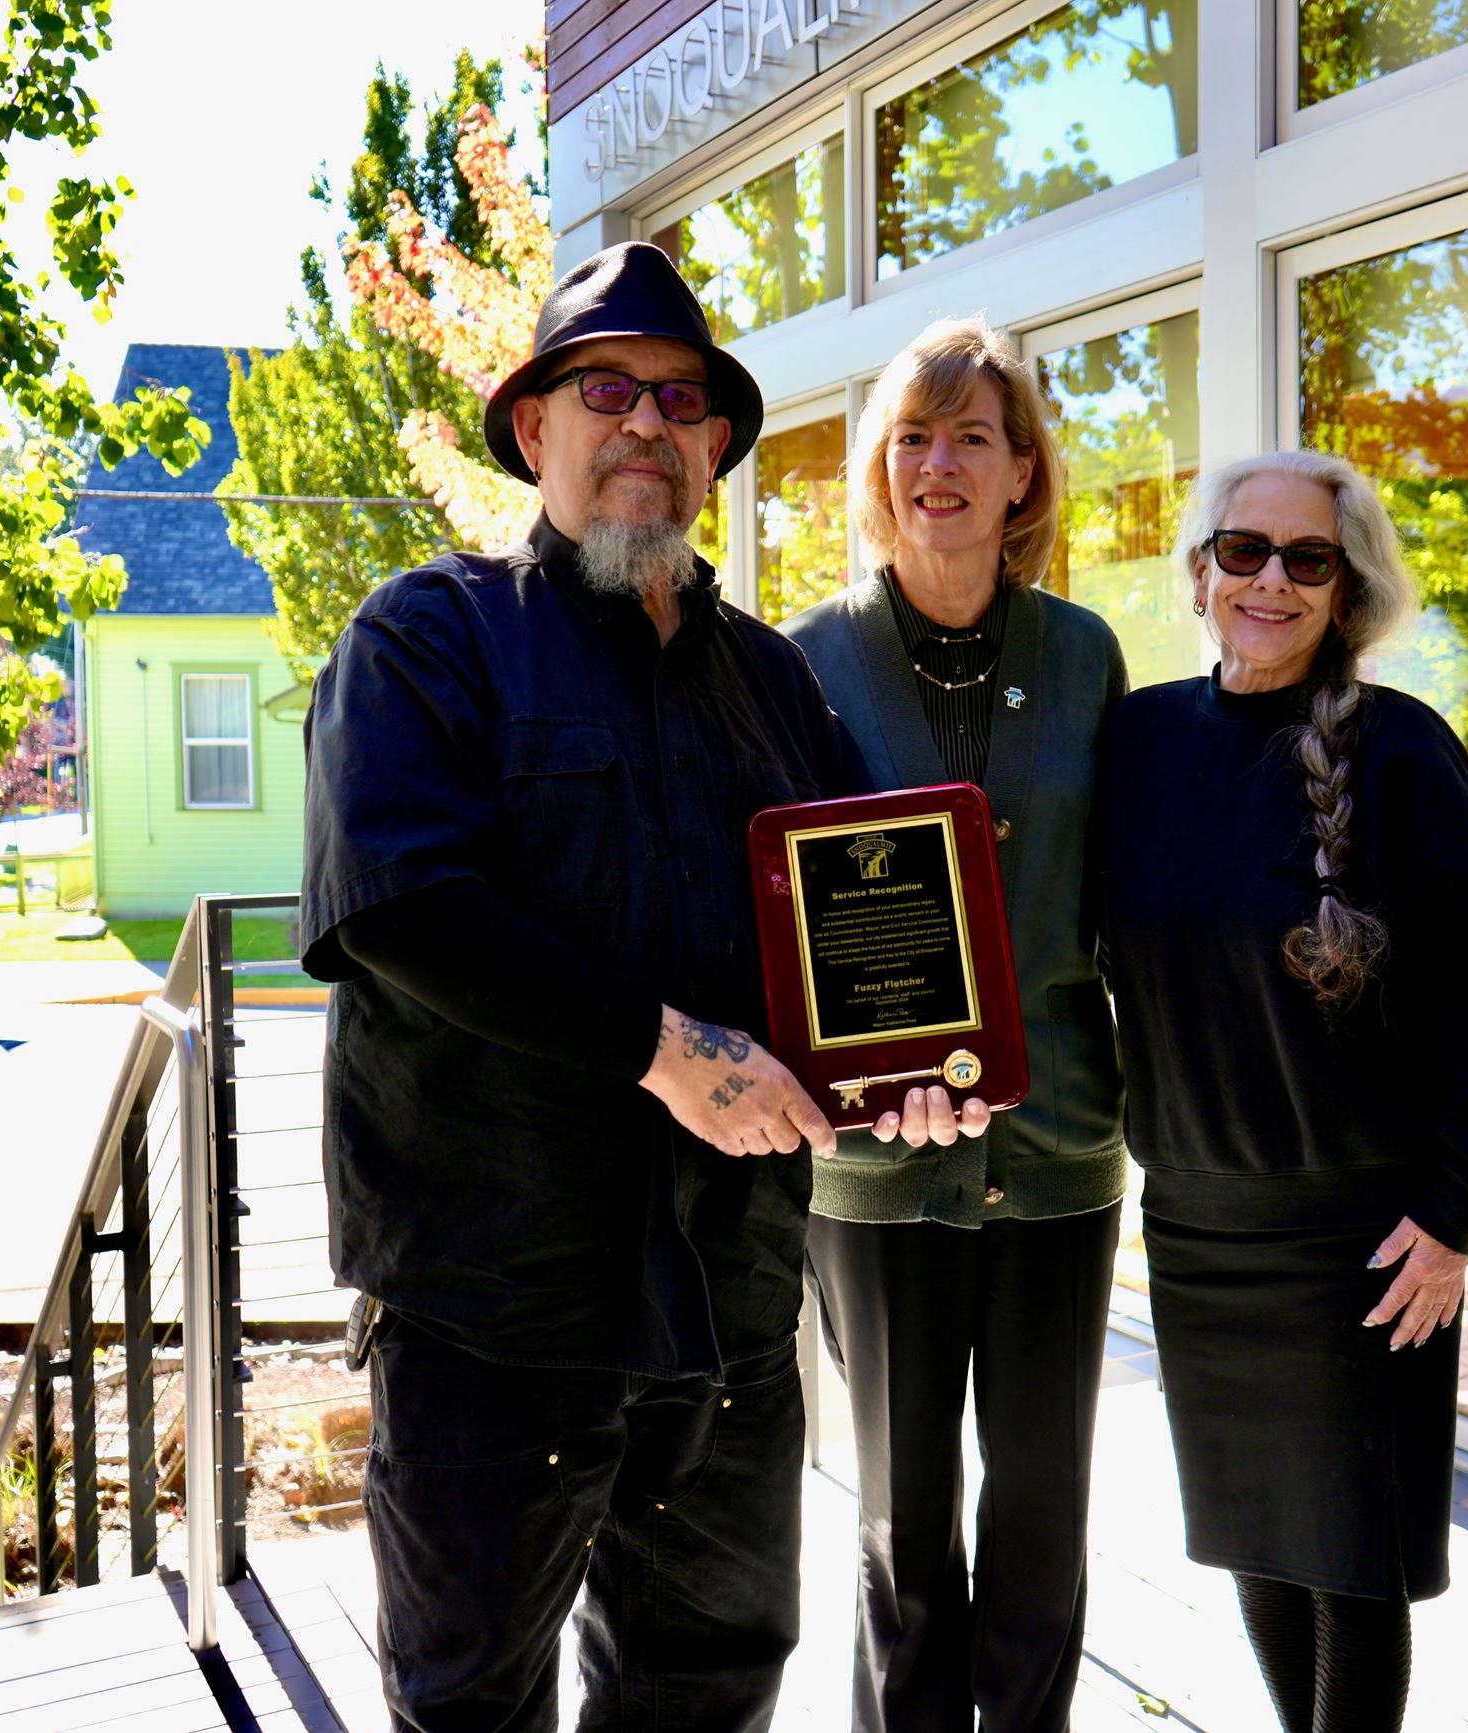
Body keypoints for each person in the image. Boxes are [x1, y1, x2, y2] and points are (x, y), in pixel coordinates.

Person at [297, 243, 857, 1733]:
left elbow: (851, 943)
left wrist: (899, 1070)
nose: (645, 422)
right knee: (472, 1699)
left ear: (719, 449)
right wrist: (663, 1049)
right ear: (533, 427)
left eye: (682, 400)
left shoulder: (777, 684)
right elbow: (403, 906)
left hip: (733, 1302)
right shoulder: (428, 637)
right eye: (602, 387)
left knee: (713, 1681)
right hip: (502, 1304)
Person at [1094, 451, 1468, 1733]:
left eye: (1309, 560)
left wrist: (1460, 1204)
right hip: (1194, 1225)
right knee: (1254, 1542)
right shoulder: (1134, 741)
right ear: (1198, 571)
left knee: (1351, 1572)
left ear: (1345, 591)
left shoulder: (1400, 752)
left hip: (1363, 1238)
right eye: (1244, 550)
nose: (1271, 581)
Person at [781, 316, 1128, 1733]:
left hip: (1054, 1158)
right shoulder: (806, 661)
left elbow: (1130, 891)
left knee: (1041, 1530)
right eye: (913, 437)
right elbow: (777, 916)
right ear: (878, 468)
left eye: (973, 436)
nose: (940, 464)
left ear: (1024, 472)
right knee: (904, 1535)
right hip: (872, 1180)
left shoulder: (1086, 655)